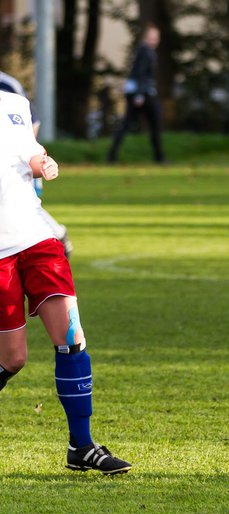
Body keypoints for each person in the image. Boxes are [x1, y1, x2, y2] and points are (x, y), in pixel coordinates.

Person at [0, 88, 131, 474]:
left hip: (38, 236)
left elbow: (28, 148)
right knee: (13, 358)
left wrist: (44, 162)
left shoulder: (12, 102)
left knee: (71, 338)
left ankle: (82, 445)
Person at [0, 70, 73, 257]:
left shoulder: (10, 89)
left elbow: (30, 124)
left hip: (17, 167)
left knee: (22, 204)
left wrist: (27, 156)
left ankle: (56, 233)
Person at [107, 23, 166, 164]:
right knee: (154, 123)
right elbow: (140, 73)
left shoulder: (144, 51)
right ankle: (159, 157)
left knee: (128, 124)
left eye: (156, 37)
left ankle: (112, 155)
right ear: (146, 37)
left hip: (140, 92)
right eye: (152, 37)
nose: (154, 40)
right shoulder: (145, 51)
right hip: (142, 93)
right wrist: (139, 95)